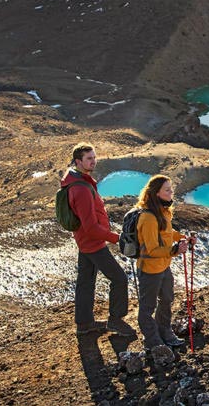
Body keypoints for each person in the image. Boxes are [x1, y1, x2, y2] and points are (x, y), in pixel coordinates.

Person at [62, 142, 135, 337]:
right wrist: (117, 238)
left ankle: (84, 323)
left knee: (85, 281)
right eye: (89, 159)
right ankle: (116, 320)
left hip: (85, 241)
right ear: (78, 161)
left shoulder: (78, 181)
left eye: (94, 157)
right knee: (119, 279)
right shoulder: (82, 189)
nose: (93, 161)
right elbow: (91, 227)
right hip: (93, 243)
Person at [135, 174, 190, 349]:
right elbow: (152, 250)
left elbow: (168, 232)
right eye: (167, 190)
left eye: (170, 188)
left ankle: (165, 331)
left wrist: (183, 237)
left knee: (166, 299)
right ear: (156, 193)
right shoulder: (149, 218)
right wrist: (174, 250)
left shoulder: (163, 212)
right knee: (147, 307)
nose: (171, 192)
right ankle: (153, 341)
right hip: (150, 269)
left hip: (164, 266)